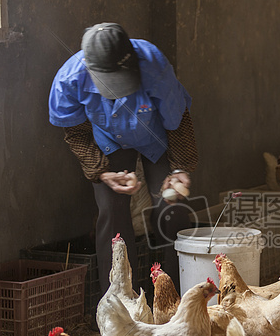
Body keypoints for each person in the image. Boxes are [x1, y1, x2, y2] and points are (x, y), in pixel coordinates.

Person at [48, 22, 197, 297]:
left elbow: (178, 117)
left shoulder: (153, 65)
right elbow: (76, 134)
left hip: (157, 135)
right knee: (112, 212)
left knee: (170, 206)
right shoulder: (69, 81)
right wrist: (102, 172)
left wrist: (180, 167)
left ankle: (177, 296)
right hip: (109, 140)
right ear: (90, 70)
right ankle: (118, 301)